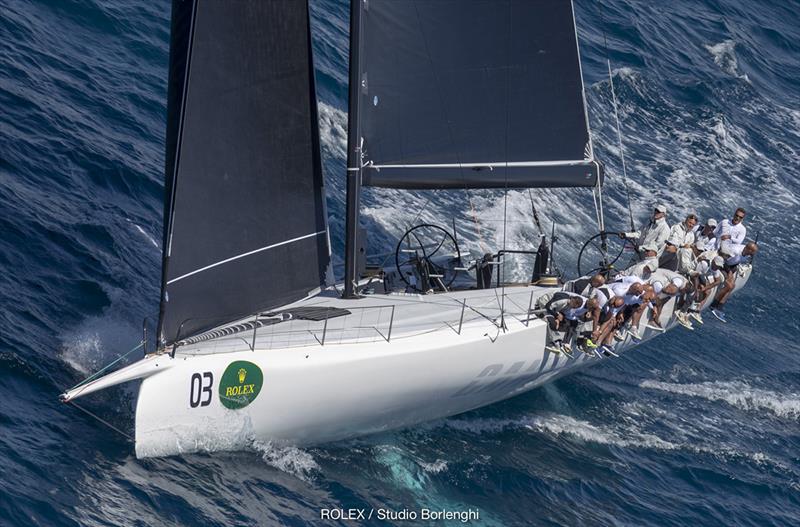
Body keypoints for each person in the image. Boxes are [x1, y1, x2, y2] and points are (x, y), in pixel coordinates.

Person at [710, 241, 758, 322]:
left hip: (730, 266)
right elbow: (723, 259)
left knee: (733, 286)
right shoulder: (735, 251)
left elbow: (736, 262)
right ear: (749, 249)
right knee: (729, 285)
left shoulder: (747, 254)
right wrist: (729, 272)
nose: (754, 254)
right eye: (753, 252)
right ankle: (713, 305)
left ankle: (720, 306)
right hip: (721, 264)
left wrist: (732, 271)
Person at [678, 255, 725, 326]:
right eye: (717, 265)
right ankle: (683, 311)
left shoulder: (715, 268)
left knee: (707, 291)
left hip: (699, 276)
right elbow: (695, 275)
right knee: (695, 292)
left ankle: (696, 310)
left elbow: (718, 281)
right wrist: (697, 289)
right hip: (689, 273)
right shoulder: (704, 264)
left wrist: (706, 288)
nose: (718, 267)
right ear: (714, 262)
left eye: (719, 266)